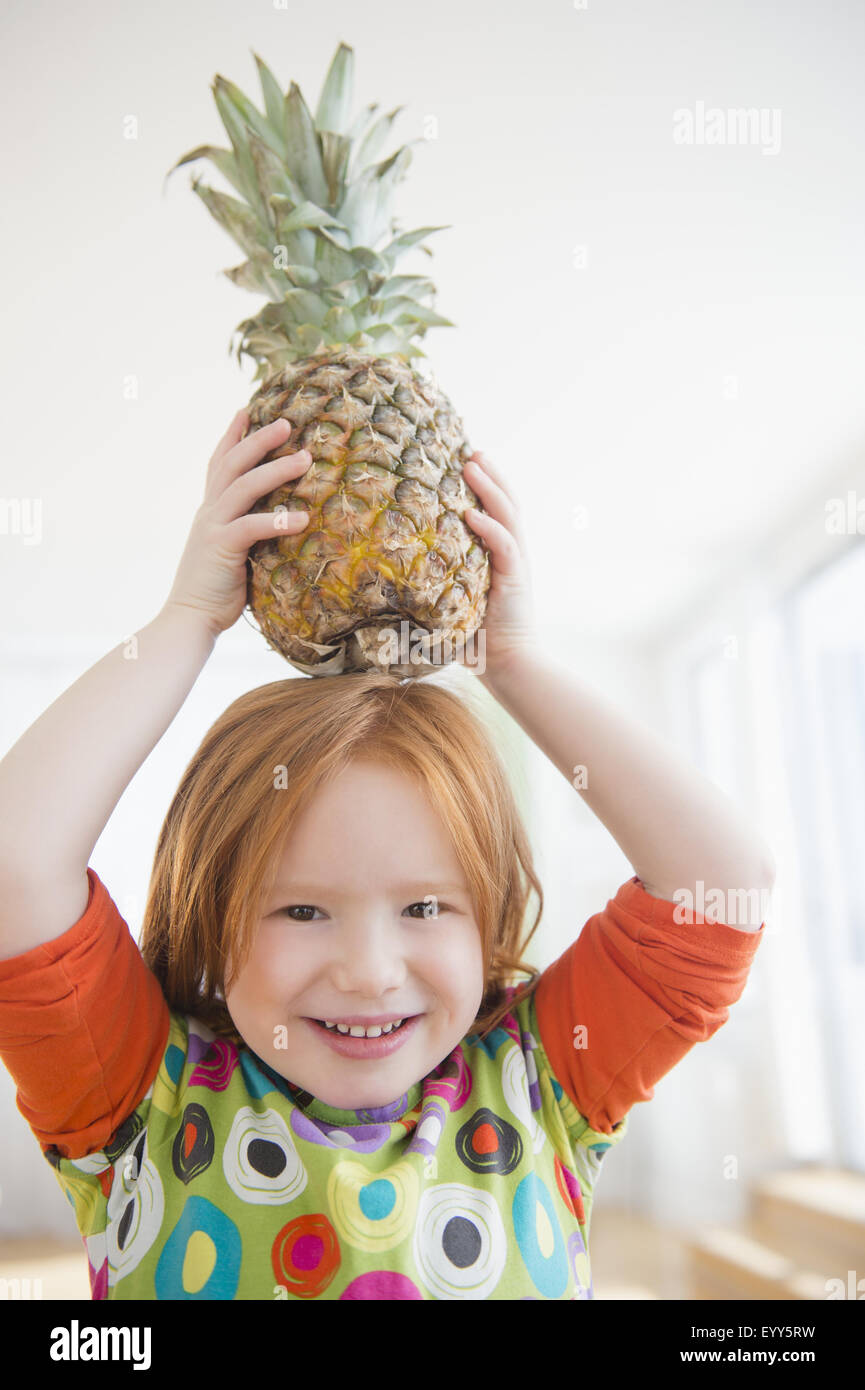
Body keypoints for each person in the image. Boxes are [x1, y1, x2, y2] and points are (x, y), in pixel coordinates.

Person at [0, 411, 774, 1300]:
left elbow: (724, 887)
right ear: (208, 921)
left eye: (423, 908)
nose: (370, 973)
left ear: (486, 916)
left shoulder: (541, 1079)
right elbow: (15, 867)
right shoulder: (139, 1095)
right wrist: (184, 622)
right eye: (300, 910)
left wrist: (510, 660)